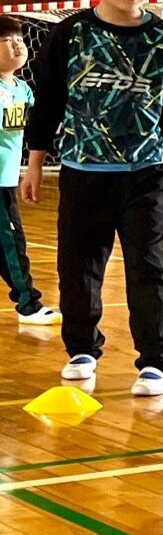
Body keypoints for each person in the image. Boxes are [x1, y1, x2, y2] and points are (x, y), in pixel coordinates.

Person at [21, 0, 163, 398]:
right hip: (83, 172)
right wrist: (34, 163)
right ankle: (81, 349)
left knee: (148, 267)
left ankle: (155, 361)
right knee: (78, 267)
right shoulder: (71, 34)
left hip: (147, 175)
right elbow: (48, 101)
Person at [0, 16, 59, 327]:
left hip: (7, 179)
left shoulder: (22, 89)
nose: (17, 45)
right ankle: (28, 304)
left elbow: (41, 122)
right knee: (12, 243)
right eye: (7, 41)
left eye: (20, 39)